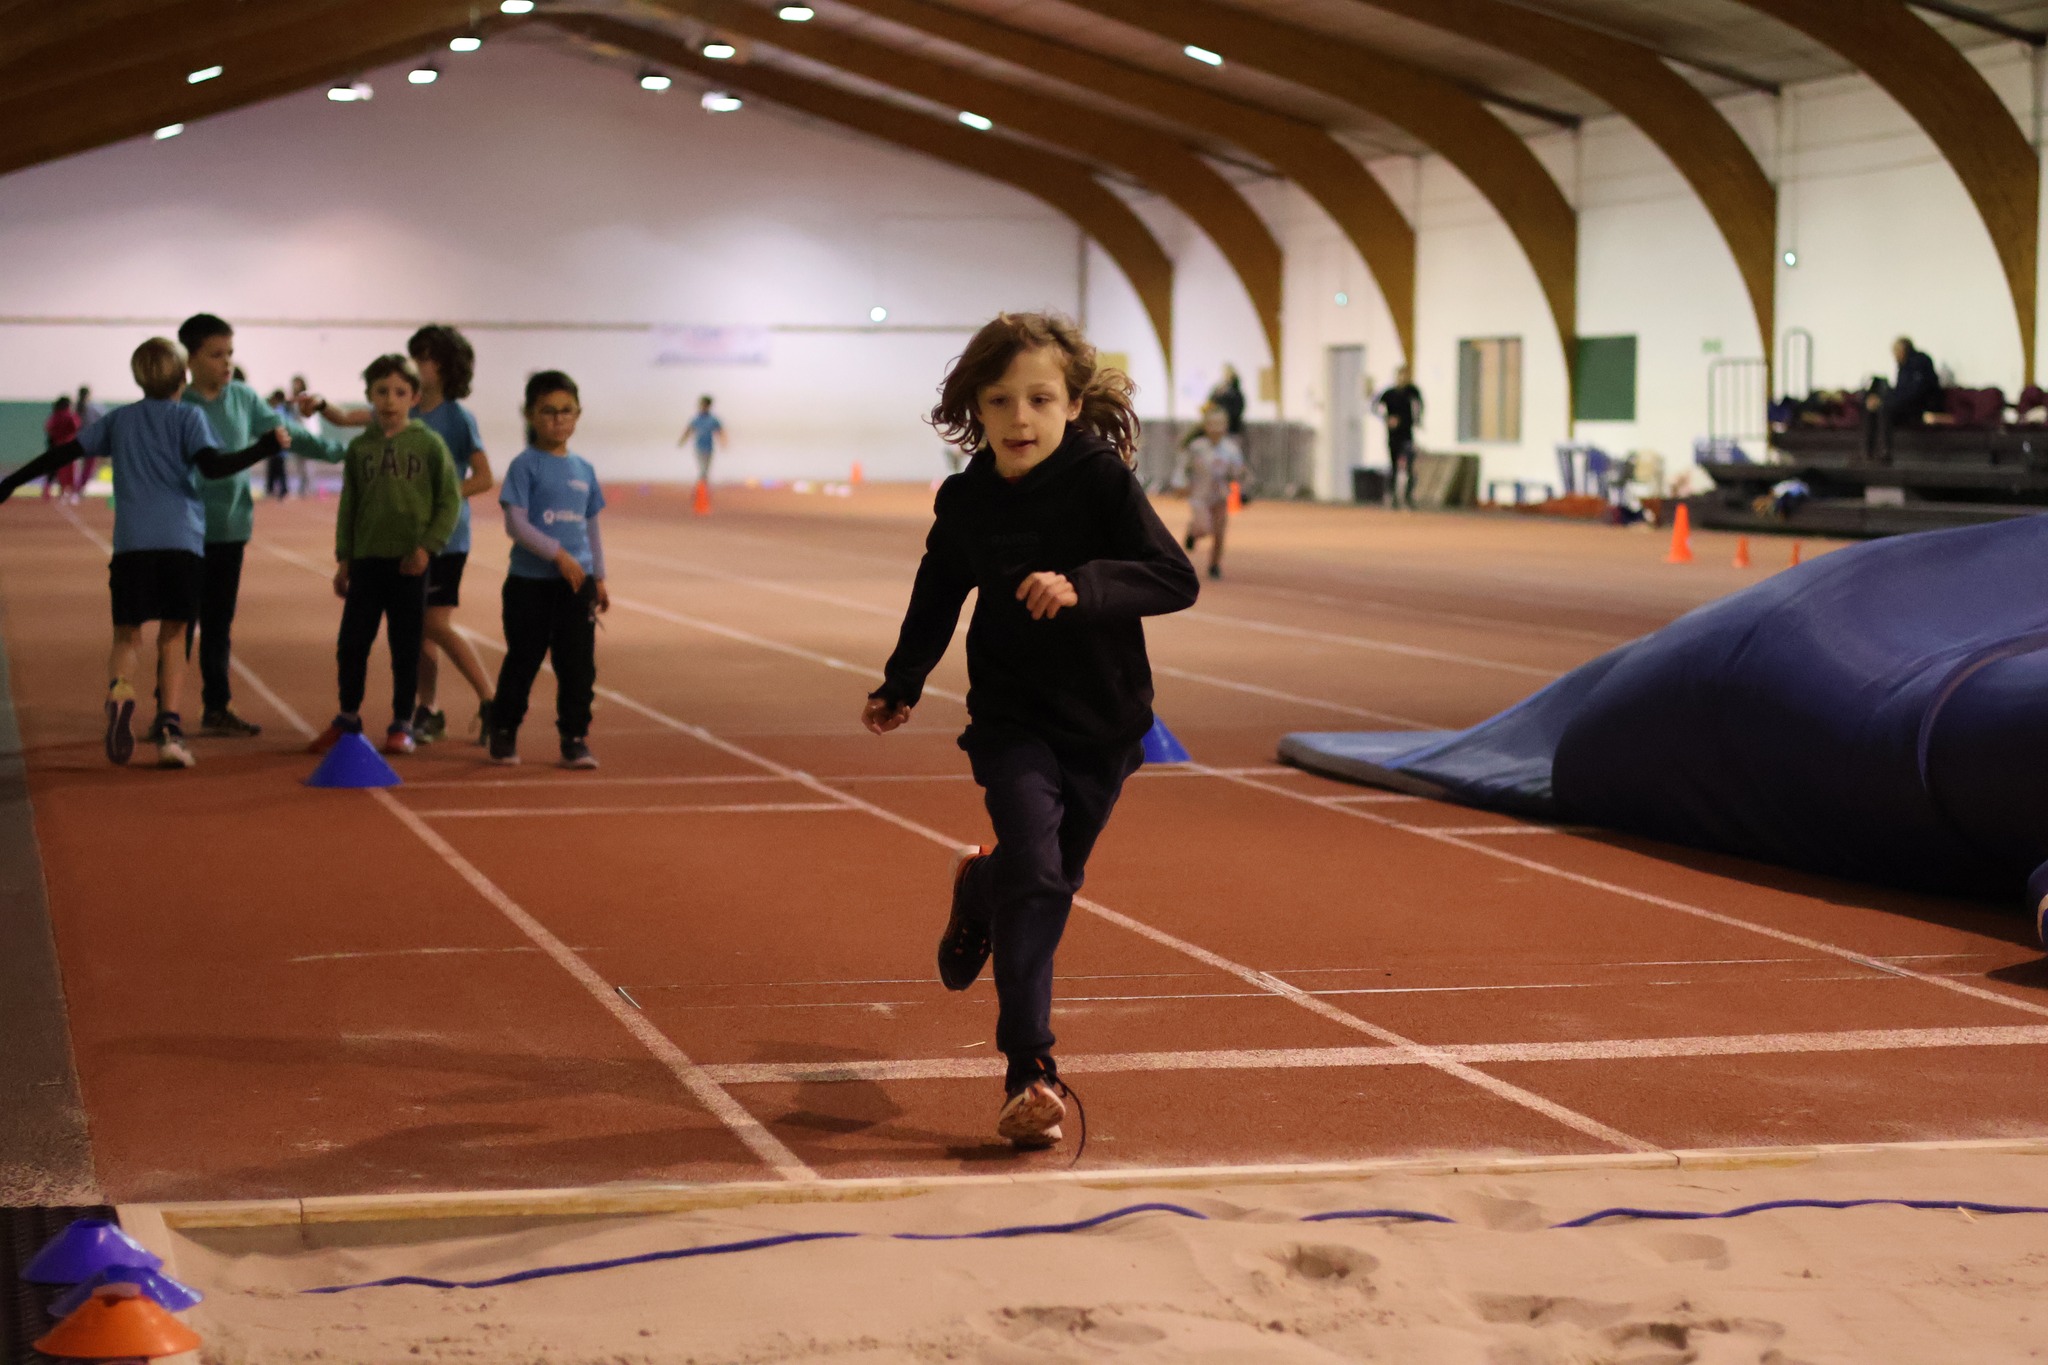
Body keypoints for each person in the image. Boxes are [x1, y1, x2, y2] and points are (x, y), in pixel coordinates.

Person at [862, 312, 1199, 1150]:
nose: (1020, 418)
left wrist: (1087, 585)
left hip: (1106, 723)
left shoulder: (1099, 482)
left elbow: (1174, 576)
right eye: (1000, 400)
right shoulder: (969, 499)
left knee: (1042, 879)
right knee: (1041, 878)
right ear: (975, 407)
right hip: (1011, 720)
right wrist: (903, 679)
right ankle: (1030, 1071)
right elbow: (939, 589)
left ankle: (982, 886)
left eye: (1041, 399)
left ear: (1073, 403)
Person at [0, 338, 285, 768]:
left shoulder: (120, 420)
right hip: (181, 542)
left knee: (127, 634)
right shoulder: (189, 417)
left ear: (139, 378)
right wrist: (265, 448)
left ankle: (120, 696)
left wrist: (9, 482)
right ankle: (169, 729)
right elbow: (213, 467)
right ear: (182, 376)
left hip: (133, 544)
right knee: (174, 635)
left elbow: (64, 452)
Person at [300, 325, 499, 744]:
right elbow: (345, 418)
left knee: (433, 624)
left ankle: (489, 699)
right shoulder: (396, 411)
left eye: (423, 357)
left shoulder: (457, 418)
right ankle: (427, 709)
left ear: (443, 366)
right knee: (418, 630)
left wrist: (436, 498)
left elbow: (483, 477)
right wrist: (318, 403)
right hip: (396, 540)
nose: (415, 364)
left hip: (444, 538)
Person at [178, 312, 344, 738]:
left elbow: (290, 435)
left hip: (230, 528)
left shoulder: (243, 398)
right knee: (179, 624)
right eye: (216, 354)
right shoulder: (179, 405)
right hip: (184, 530)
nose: (226, 362)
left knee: (218, 625)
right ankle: (167, 710)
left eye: (229, 353)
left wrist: (339, 452)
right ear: (191, 359)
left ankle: (217, 706)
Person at [306, 355, 459, 757]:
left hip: (410, 562)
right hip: (367, 562)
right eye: (381, 392)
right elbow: (349, 506)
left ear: (414, 398)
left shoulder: (429, 445)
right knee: (352, 643)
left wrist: (427, 547)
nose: (390, 400)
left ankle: (402, 723)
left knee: (405, 645)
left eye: (399, 392)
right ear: (369, 396)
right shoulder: (360, 448)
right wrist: (344, 558)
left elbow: (449, 501)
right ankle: (347, 717)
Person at [489, 371, 608, 769]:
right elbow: (516, 524)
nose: (558, 419)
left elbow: (591, 525)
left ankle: (574, 737)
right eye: (548, 411)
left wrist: (598, 576)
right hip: (530, 585)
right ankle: (504, 729)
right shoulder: (525, 466)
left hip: (576, 586)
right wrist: (558, 555)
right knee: (523, 659)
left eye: (566, 411)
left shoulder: (584, 470)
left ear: (578, 414)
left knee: (577, 666)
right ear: (530, 415)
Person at [1181, 404, 1244, 581]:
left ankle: (1214, 564)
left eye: (1220, 424)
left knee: (1219, 533)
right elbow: (1184, 468)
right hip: (1200, 496)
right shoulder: (1196, 447)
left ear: (1226, 426)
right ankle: (1193, 533)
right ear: (1205, 426)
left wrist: (1241, 483)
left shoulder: (1231, 449)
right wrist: (1181, 484)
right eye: (1212, 424)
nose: (1216, 429)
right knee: (1203, 527)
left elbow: (1239, 471)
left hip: (1220, 496)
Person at [1864, 336, 1942, 462]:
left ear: (1902, 350)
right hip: (1906, 405)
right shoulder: (1903, 366)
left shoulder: (1919, 362)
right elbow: (1900, 390)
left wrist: (1887, 401)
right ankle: (1868, 453)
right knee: (1872, 407)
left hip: (1921, 406)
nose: (1894, 356)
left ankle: (1885, 452)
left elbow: (1915, 392)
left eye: (1895, 352)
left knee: (1885, 408)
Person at [1375, 364, 1423, 509]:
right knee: (1394, 467)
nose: (1402, 378)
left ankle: (1408, 497)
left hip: (1406, 435)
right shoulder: (1389, 394)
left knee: (1409, 466)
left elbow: (1419, 406)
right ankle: (1392, 497)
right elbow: (1375, 406)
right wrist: (1386, 419)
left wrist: (1417, 419)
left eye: (1405, 376)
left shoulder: (1412, 392)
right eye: (1400, 376)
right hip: (1393, 436)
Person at [680, 394, 726, 485]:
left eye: (705, 405)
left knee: (706, 470)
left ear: (709, 406)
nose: (703, 407)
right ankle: (700, 488)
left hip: (709, 448)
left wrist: (723, 442)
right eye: (702, 405)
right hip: (699, 447)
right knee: (702, 470)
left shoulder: (713, 420)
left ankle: (703, 487)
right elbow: (688, 430)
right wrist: (682, 441)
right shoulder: (696, 419)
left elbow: (720, 431)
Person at [41, 396, 80, 502]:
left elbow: (48, 428)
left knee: (59, 470)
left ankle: (61, 491)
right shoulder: (70, 415)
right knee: (71, 470)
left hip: (57, 446)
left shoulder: (55, 416)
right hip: (69, 446)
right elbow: (75, 426)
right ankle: (71, 492)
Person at [262, 389, 292, 500]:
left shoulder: (281, 411)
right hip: (272, 445)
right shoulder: (274, 409)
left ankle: (283, 490)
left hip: (280, 446)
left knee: (280, 469)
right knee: (272, 469)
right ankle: (271, 489)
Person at [74, 386, 104, 492]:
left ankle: (76, 485)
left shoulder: (76, 407)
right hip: (90, 439)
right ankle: (80, 486)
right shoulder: (92, 407)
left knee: (77, 464)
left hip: (78, 438)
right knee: (89, 464)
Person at [1208, 363, 1245, 436]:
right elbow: (1210, 403)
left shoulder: (1235, 393)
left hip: (1231, 427)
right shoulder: (1218, 390)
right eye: (1224, 373)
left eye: (1227, 374)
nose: (1225, 376)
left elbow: (1237, 410)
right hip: (1216, 422)